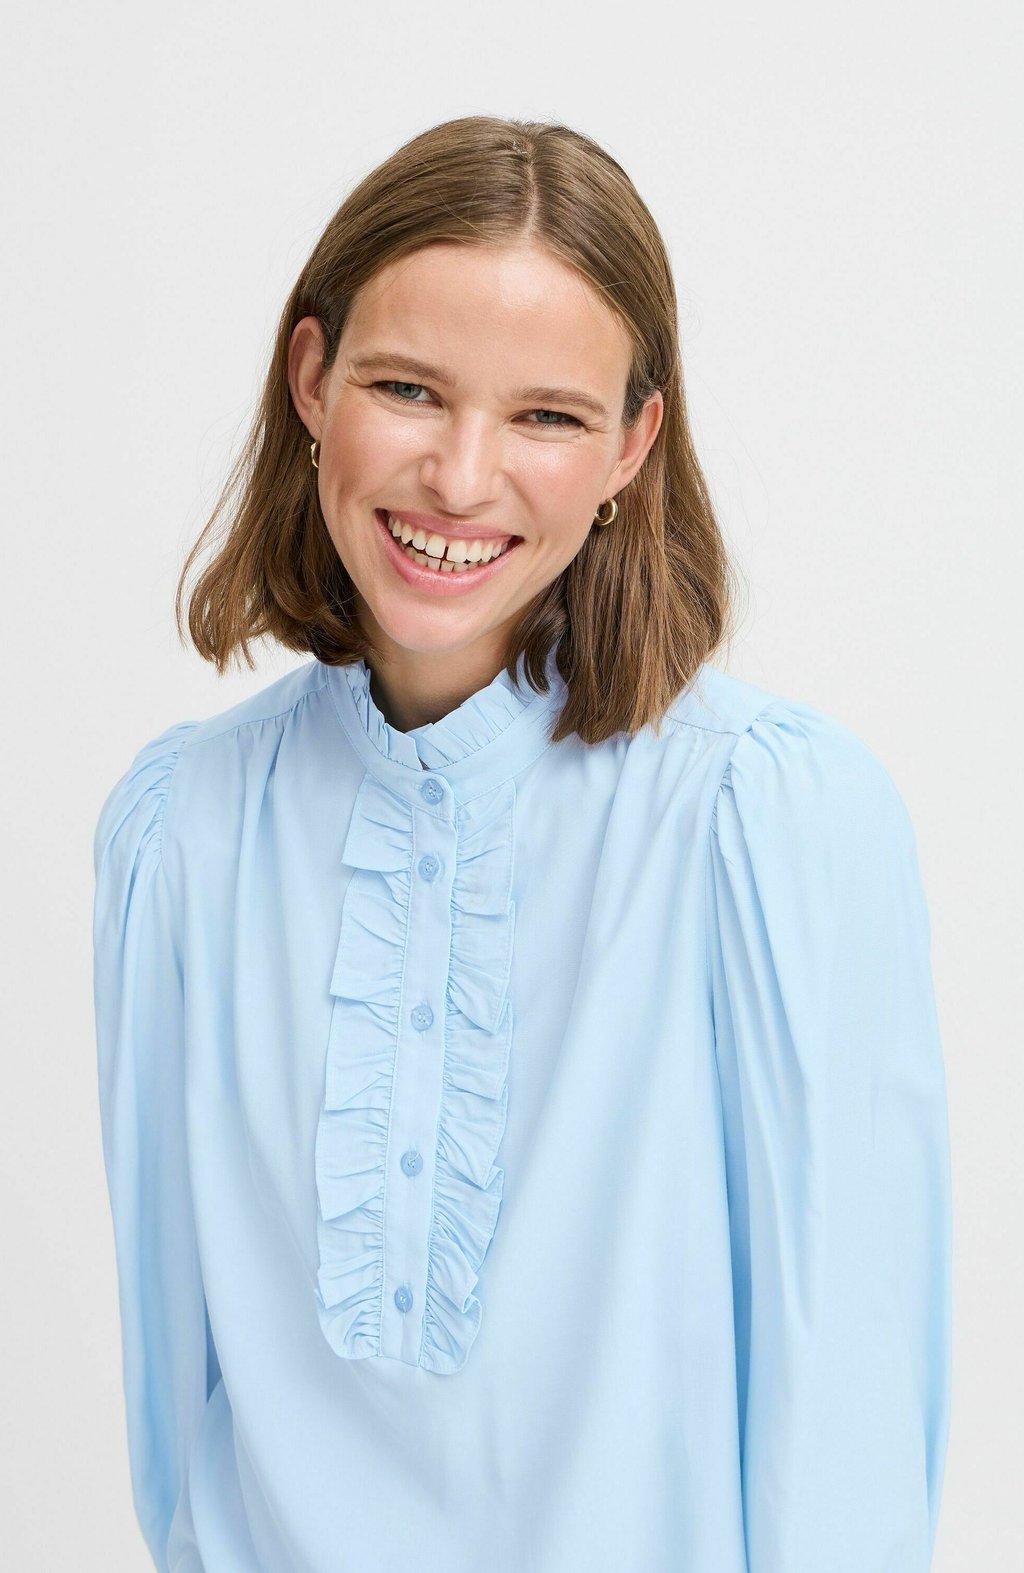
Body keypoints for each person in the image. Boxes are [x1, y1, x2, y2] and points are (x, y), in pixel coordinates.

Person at [92, 115, 952, 1573]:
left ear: (631, 446)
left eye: (547, 416)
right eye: (407, 388)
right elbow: (179, 1422)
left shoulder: (767, 821)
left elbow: (847, 1436)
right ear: (312, 381)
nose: (461, 474)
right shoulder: (180, 835)